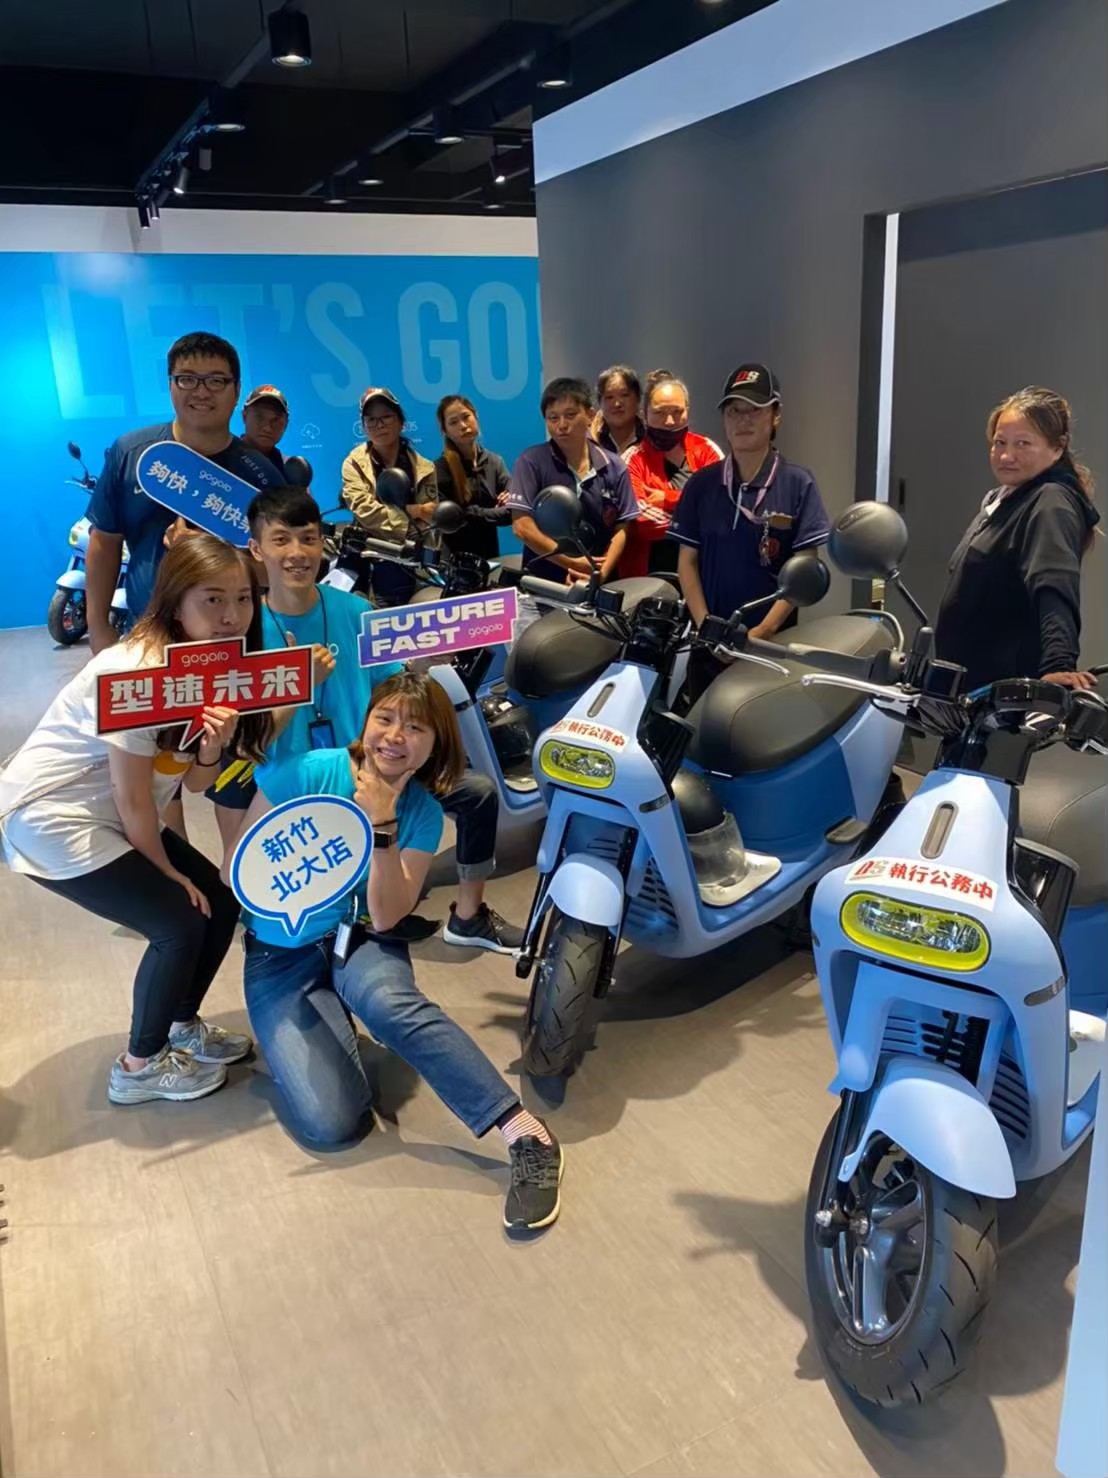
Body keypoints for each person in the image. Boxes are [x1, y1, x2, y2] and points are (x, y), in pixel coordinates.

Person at [228, 670, 564, 1230]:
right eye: (384, 719)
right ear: (365, 724)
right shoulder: (309, 771)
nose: (394, 736)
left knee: (389, 1003)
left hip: (362, 936)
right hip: (278, 954)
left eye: (415, 728)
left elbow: (387, 915)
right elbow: (233, 869)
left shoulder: (422, 812)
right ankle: (333, 1011)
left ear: (437, 743)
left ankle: (525, 1134)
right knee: (334, 1123)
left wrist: (381, 824)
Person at [0, 535, 273, 1104]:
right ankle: (138, 1066)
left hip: (108, 812)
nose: (232, 616)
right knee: (179, 920)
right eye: (213, 599)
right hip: (54, 816)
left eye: (243, 599)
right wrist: (167, 874)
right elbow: (131, 798)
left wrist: (210, 748)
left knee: (219, 901)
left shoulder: (209, 666)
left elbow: (190, 784)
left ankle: (180, 1024)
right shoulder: (136, 671)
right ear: (176, 601)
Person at [213, 486, 523, 953]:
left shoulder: (355, 612)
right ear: (256, 549)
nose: (297, 553)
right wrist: (299, 687)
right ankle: (335, 921)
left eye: (308, 538)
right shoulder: (245, 633)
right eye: (281, 540)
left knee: (477, 791)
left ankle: (467, 916)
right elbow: (247, 749)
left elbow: (396, 693)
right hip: (298, 782)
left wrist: (423, 662)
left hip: (376, 764)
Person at [84, 331, 284, 656]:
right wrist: (98, 627)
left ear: (236, 390)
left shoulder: (263, 476)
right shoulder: (132, 453)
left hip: (233, 645)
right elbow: (104, 543)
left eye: (216, 381)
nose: (201, 392)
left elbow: (276, 571)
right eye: (187, 379)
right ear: (171, 385)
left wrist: (211, 552)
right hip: (146, 640)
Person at [672, 363, 831, 705]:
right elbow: (687, 562)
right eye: (734, 410)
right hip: (709, 644)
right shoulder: (702, 484)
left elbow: (804, 573)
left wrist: (762, 633)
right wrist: (705, 627)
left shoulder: (798, 483)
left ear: (776, 415)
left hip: (771, 648)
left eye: (754, 410)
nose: (743, 420)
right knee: (703, 723)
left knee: (767, 726)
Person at [934, 386, 1101, 692]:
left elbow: (1054, 583)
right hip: (967, 691)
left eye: (1023, 443)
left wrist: (1058, 664)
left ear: (1058, 447)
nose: (1006, 456)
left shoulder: (1050, 501)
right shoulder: (1000, 499)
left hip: (1004, 695)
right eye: (1000, 442)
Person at [509, 376, 639, 585]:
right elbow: (521, 527)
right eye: (553, 418)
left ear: (590, 415)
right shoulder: (531, 462)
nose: (562, 425)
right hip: (542, 585)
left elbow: (622, 527)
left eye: (570, 415)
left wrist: (602, 572)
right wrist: (571, 563)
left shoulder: (614, 467)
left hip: (599, 583)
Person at [340, 387, 438, 606]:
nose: (379, 425)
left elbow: (428, 521)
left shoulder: (425, 468)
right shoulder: (353, 464)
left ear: (401, 422)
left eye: (386, 417)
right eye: (371, 419)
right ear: (363, 427)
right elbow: (366, 512)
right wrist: (414, 511)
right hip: (367, 561)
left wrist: (416, 517)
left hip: (413, 565)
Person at [622, 373, 722, 576]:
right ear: (645, 414)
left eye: (677, 412)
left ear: (687, 411)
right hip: (650, 576)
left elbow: (722, 508)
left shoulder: (707, 449)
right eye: (659, 412)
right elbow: (643, 523)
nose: (669, 421)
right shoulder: (632, 459)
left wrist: (668, 499)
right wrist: (699, 512)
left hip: (706, 571)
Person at [433, 395, 512, 560]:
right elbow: (454, 518)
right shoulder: (441, 468)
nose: (463, 425)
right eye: (453, 422)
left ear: (476, 417)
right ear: (445, 430)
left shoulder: (495, 462)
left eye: (466, 417)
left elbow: (511, 512)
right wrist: (492, 512)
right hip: (454, 560)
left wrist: (471, 512)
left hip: (490, 557)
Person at [592, 364, 644, 459]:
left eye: (624, 395)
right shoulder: (591, 441)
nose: (617, 404)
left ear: (638, 399)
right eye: (609, 397)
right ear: (600, 403)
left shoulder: (651, 439)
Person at [241, 384, 290, 475]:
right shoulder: (220, 458)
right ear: (244, 416)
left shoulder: (291, 472)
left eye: (275, 420)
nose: (267, 428)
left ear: (286, 423)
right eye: (260, 417)